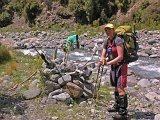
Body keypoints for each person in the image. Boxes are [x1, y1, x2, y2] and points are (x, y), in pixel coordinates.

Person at [98, 23, 128, 118]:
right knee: (115, 86)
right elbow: (103, 54)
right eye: (106, 30)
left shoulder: (118, 40)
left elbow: (120, 57)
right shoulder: (107, 41)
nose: (108, 31)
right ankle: (117, 106)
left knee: (120, 88)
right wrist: (102, 60)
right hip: (113, 66)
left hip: (121, 65)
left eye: (109, 29)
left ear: (113, 30)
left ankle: (123, 113)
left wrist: (107, 63)